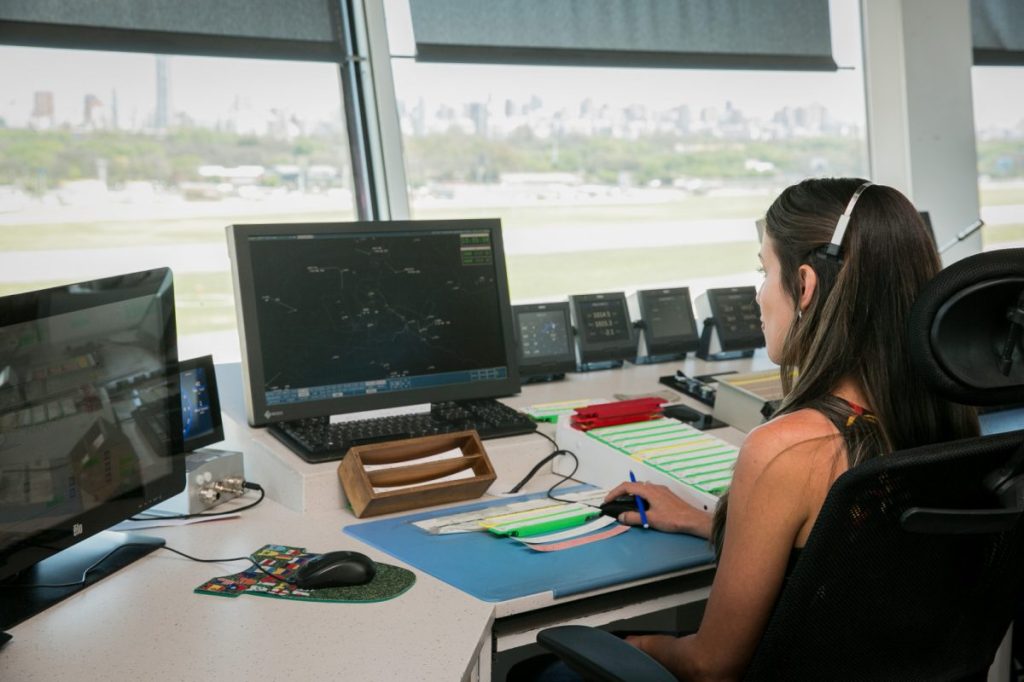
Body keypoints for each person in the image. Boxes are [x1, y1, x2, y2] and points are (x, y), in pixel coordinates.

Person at [511, 177, 979, 681]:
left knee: (537, 670)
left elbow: (712, 666)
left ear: (804, 285)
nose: (758, 296)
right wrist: (707, 520)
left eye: (764, 271)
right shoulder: (954, 418)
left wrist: (637, 643)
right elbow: (852, 554)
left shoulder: (787, 449)